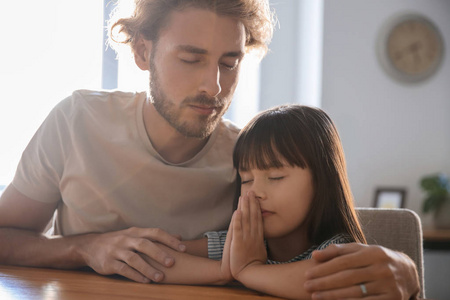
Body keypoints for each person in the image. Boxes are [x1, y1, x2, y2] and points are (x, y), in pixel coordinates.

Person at [0, 0, 420, 298]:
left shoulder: (247, 159)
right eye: (191, 59)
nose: (214, 87)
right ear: (143, 51)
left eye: (229, 62)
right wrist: (84, 247)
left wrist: (408, 273)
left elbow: (318, 235)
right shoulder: (76, 120)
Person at [138, 104, 368, 299]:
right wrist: (224, 270)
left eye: (275, 177)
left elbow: (319, 282)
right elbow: (154, 257)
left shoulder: (338, 248)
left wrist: (247, 270)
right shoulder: (248, 240)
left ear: (322, 180)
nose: (255, 192)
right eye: (246, 179)